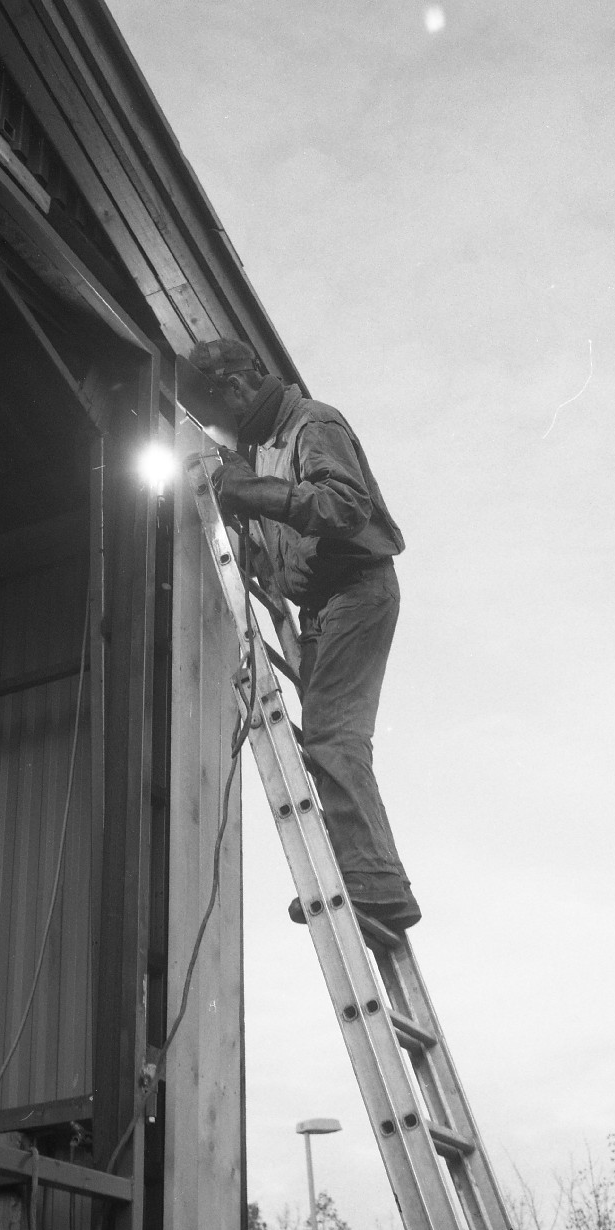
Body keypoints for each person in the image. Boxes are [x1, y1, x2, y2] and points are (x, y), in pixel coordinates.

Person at [189, 338, 420, 932]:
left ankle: (375, 883)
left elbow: (346, 506)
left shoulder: (312, 424)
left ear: (239, 385)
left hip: (357, 589)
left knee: (333, 735)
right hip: (323, 605)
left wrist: (257, 494)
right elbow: (280, 549)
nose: (223, 421)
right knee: (330, 738)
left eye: (222, 405)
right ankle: (365, 872)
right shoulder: (265, 449)